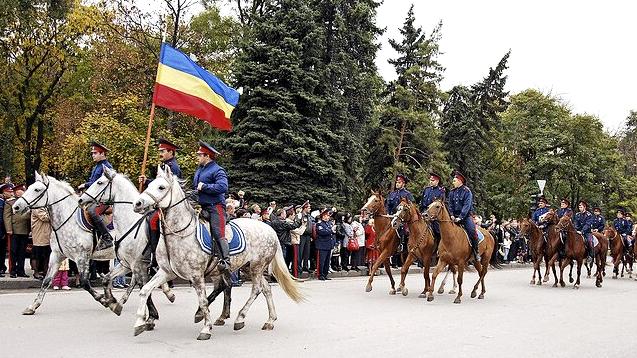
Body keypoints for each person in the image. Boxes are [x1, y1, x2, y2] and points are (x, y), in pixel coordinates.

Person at [138, 138, 183, 267]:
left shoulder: (172, 167)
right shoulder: (164, 166)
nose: (160, 153)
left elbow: (167, 187)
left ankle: (156, 255)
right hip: (163, 203)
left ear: (171, 152)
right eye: (160, 151)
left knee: (152, 220)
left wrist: (147, 182)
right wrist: (146, 181)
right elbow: (157, 185)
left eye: (163, 151)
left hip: (170, 204)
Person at [193, 141, 230, 272]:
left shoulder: (217, 170)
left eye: (199, 155)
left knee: (217, 231)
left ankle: (225, 260)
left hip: (216, 207)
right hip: (202, 207)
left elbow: (223, 187)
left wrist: (205, 187)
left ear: (207, 156)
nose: (197, 157)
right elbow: (196, 189)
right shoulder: (199, 170)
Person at [78, 141, 114, 251]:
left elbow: (99, 184)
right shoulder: (97, 166)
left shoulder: (106, 167)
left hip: (105, 200)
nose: (93, 155)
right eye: (92, 153)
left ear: (102, 154)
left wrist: (85, 185)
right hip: (95, 198)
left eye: (95, 153)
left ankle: (106, 236)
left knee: (93, 211)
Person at [447, 171, 480, 262]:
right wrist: (452, 215)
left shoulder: (467, 191)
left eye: (454, 181)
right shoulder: (452, 192)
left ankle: (475, 252)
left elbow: (467, 205)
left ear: (460, 181)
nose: (453, 182)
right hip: (454, 217)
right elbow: (450, 205)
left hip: (465, 217)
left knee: (472, 231)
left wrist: (460, 217)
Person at [3, 184, 31, 277]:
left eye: (23, 190)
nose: (23, 192)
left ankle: (21, 270)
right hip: (14, 230)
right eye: (21, 190)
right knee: (13, 251)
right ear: (16, 192)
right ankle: (13, 271)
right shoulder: (10, 202)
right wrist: (9, 229)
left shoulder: (27, 202)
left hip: (25, 230)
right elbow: (7, 217)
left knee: (22, 252)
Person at [386, 174, 415, 255]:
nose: (397, 184)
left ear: (403, 183)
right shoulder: (392, 194)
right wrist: (388, 213)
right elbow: (388, 205)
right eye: (396, 182)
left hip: (403, 219)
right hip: (392, 217)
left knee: (403, 233)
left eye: (399, 182)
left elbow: (411, 207)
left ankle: (403, 247)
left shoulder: (407, 194)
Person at [419, 172, 446, 246]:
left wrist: (433, 217)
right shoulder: (426, 189)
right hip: (424, 213)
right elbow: (421, 203)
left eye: (433, 180)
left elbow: (440, 205)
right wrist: (420, 212)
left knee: (438, 231)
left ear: (437, 181)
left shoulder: (441, 191)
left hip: (433, 215)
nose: (431, 182)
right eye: (430, 180)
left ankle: (439, 246)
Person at [30, 208, 52, 279]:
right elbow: (45, 217)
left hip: (46, 235)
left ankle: (45, 271)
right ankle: (36, 272)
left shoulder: (45, 207)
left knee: (46, 255)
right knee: (36, 256)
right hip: (39, 235)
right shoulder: (37, 208)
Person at [315, 208, 335, 280]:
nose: (328, 217)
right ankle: (320, 275)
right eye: (326, 216)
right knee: (321, 261)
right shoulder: (319, 224)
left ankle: (325, 274)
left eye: (328, 216)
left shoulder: (328, 224)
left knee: (327, 261)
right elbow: (322, 232)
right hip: (322, 245)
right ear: (322, 216)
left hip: (328, 245)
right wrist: (331, 231)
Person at [298, 201, 313, 274]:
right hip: (302, 235)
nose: (310, 209)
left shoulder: (309, 216)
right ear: (305, 208)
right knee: (300, 252)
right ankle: (299, 267)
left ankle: (305, 266)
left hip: (308, 235)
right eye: (309, 207)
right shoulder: (301, 215)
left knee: (307, 252)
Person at [0, 183, 10, 277]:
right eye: (8, 191)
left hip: (2, 231)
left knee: (2, 251)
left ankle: (2, 268)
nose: (10, 193)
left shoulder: (3, 202)